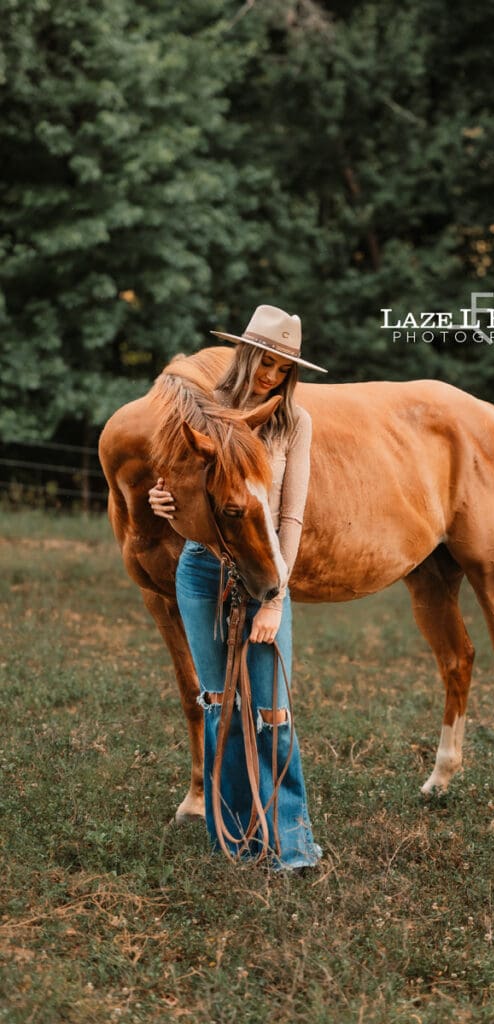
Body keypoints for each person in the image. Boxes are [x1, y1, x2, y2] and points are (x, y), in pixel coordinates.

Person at [148, 304, 327, 870]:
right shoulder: (202, 413)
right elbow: (182, 503)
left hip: (263, 570)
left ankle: (291, 846)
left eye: (283, 367)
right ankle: (233, 841)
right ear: (245, 351)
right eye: (266, 361)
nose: (272, 375)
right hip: (202, 571)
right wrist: (164, 508)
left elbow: (291, 518)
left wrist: (273, 599)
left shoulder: (294, 423)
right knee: (219, 706)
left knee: (273, 711)